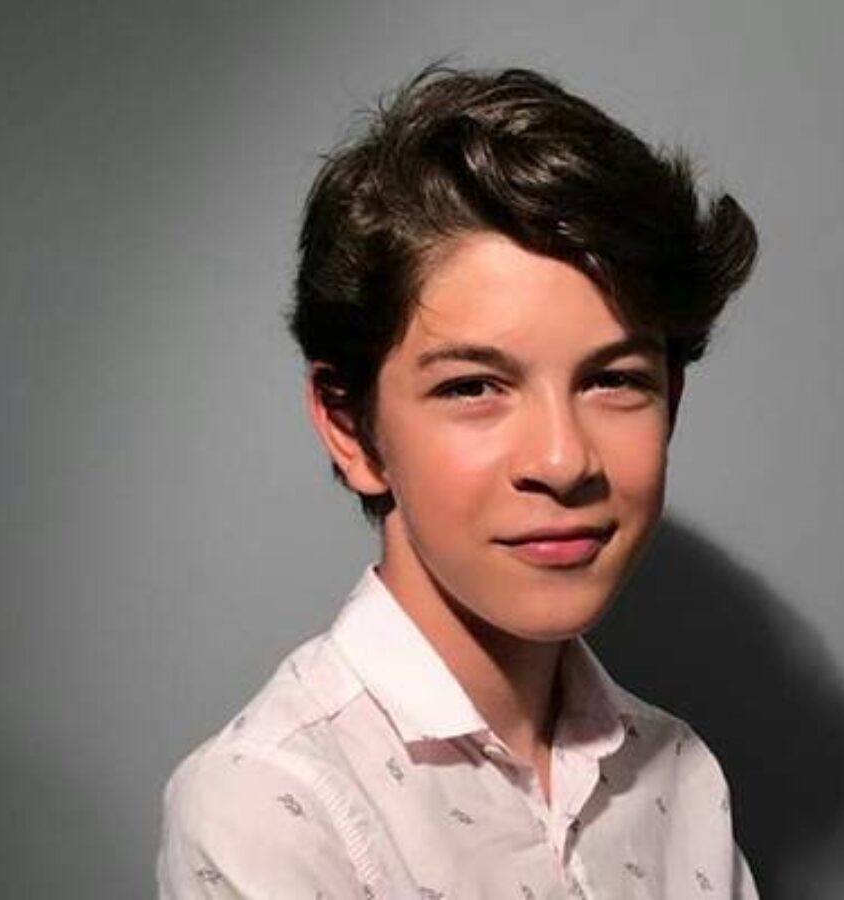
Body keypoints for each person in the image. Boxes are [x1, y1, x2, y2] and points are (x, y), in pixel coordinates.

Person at [157, 64, 760, 899]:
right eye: (473, 387)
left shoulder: (681, 774)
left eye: (614, 380)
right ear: (350, 425)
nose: (563, 460)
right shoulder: (269, 802)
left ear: (673, 401)